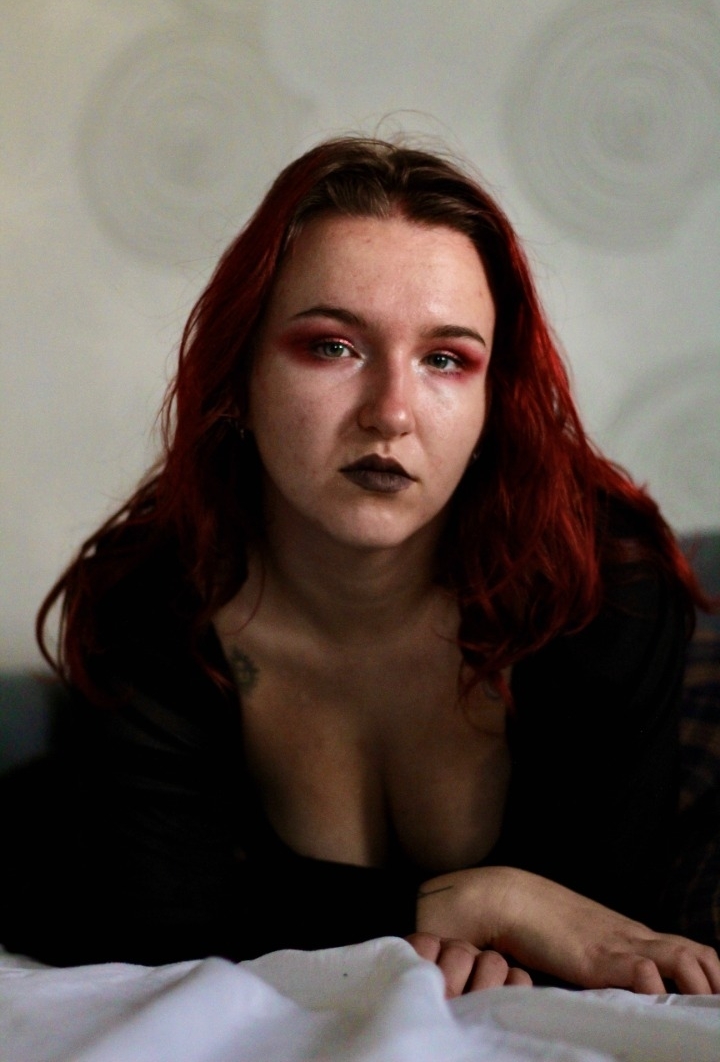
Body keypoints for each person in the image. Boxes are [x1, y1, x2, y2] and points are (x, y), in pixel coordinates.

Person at [3, 135, 719, 997]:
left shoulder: (599, 584)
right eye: (332, 347)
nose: (391, 412)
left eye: (446, 359)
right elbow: (159, 919)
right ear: (240, 375)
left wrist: (487, 907)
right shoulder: (148, 601)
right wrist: (464, 904)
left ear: (493, 401)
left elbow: (606, 925)